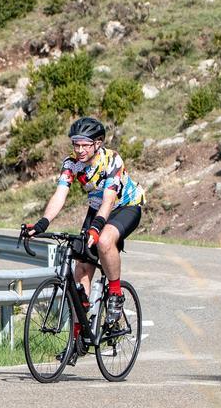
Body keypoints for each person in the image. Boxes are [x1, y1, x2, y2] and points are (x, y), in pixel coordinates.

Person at [24, 117, 145, 325]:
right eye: (75, 144)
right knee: (80, 266)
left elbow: (108, 200)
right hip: (97, 208)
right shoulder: (71, 164)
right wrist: (43, 223)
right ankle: (78, 337)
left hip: (125, 206)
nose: (79, 150)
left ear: (97, 144)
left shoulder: (112, 160)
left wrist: (96, 229)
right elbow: (60, 195)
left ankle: (115, 294)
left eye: (84, 145)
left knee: (104, 241)